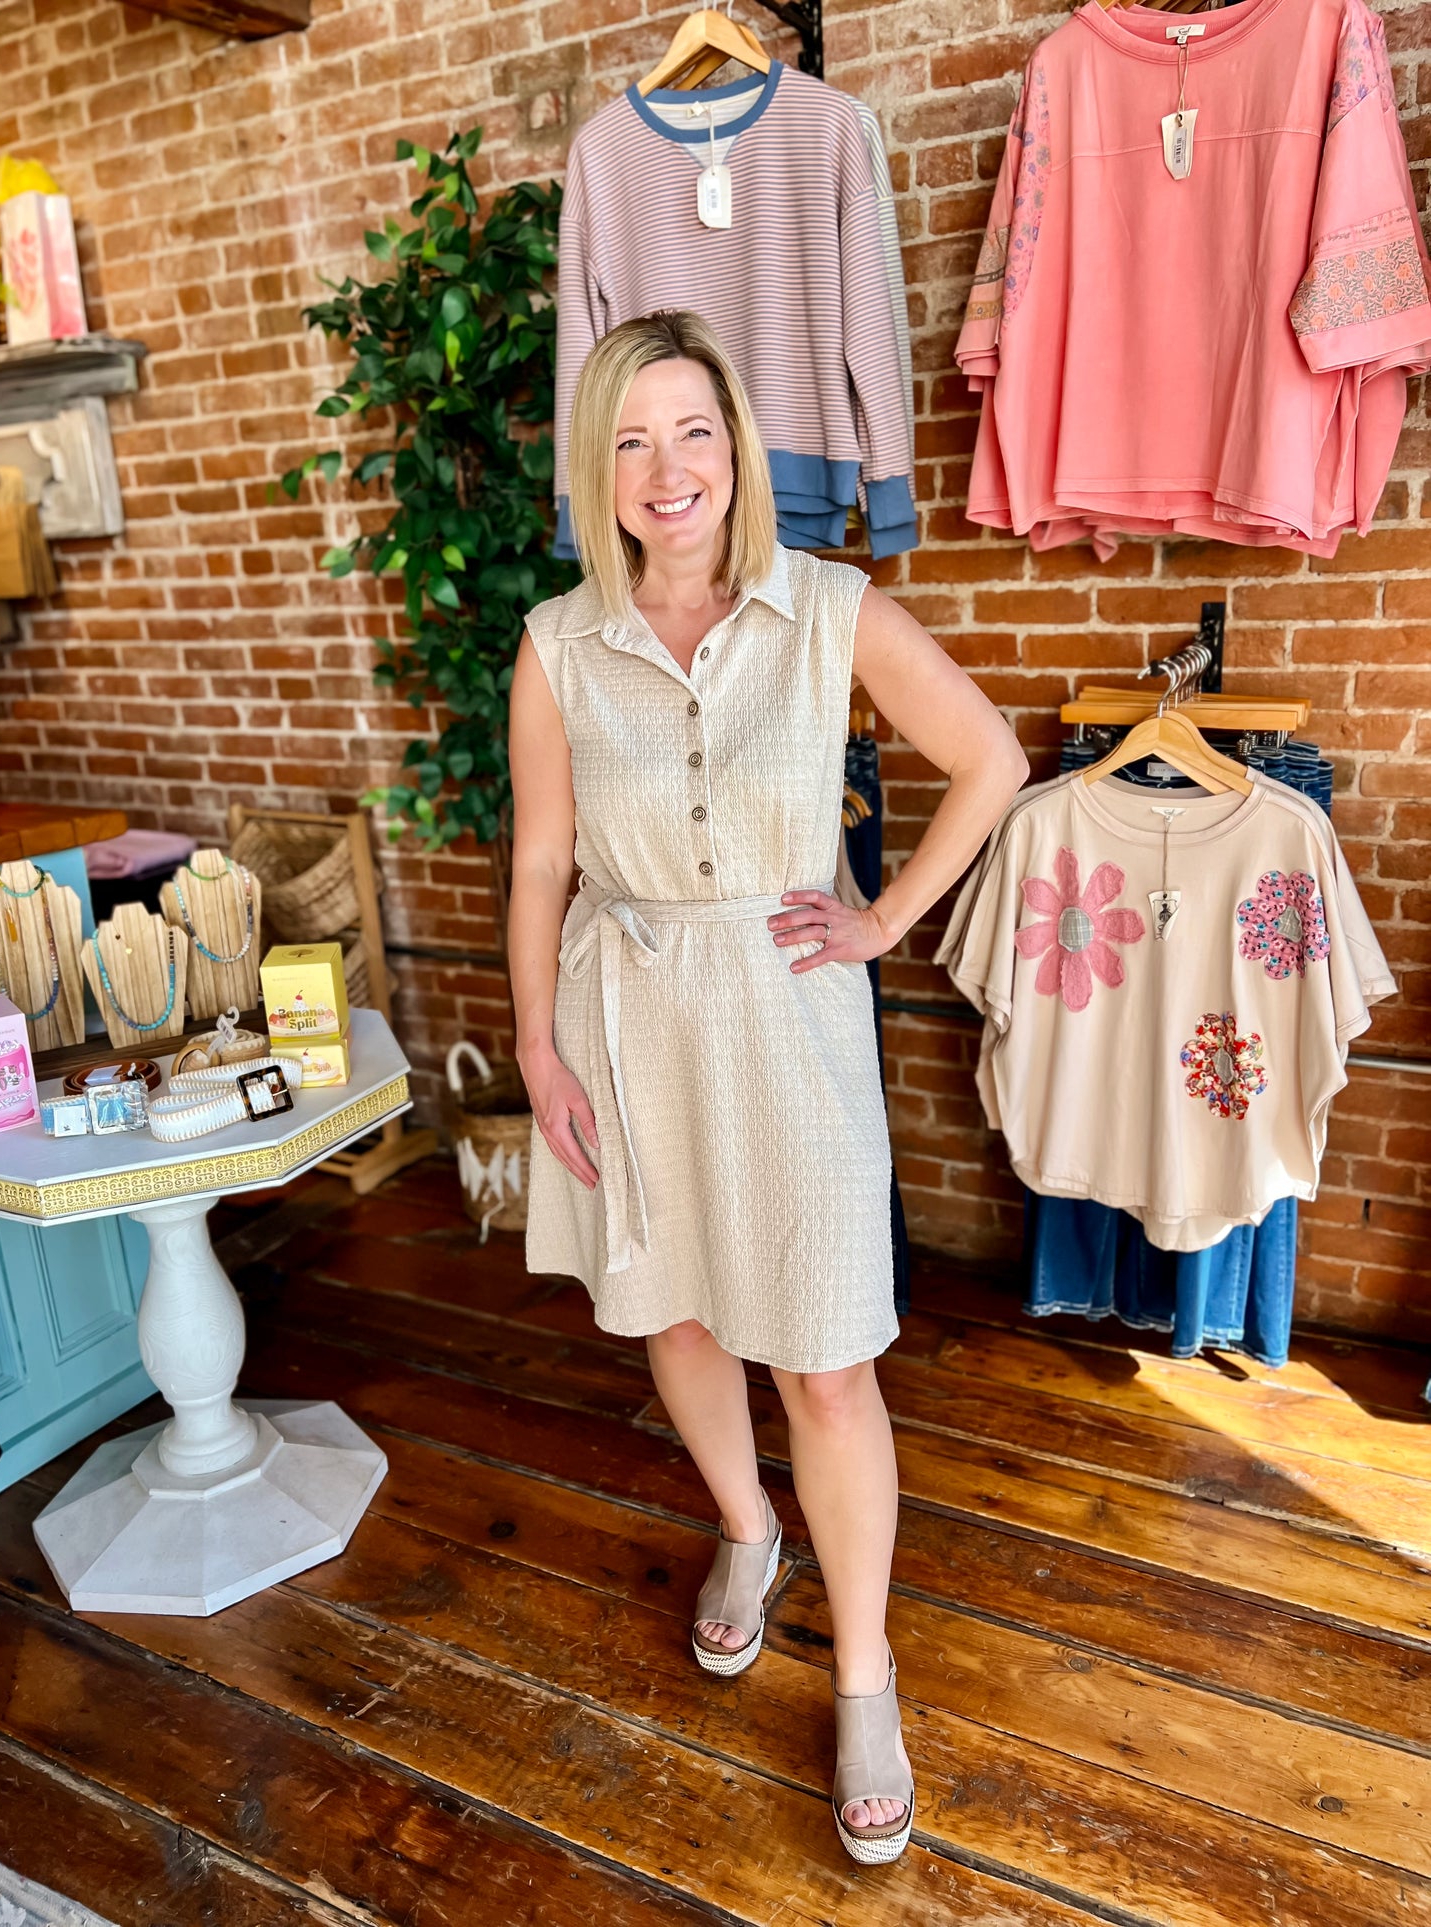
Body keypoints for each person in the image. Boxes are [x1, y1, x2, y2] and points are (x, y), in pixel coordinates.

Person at [508, 310, 1027, 1863]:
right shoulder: (556, 644)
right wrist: (537, 1046)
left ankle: (864, 1676)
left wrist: (879, 917)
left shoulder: (826, 612)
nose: (668, 471)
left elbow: (990, 759)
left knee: (820, 1355)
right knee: (670, 1307)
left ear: (734, 446)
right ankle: (747, 1533)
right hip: (625, 1008)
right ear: (596, 472)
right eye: (631, 441)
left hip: (784, 1016)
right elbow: (540, 861)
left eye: (694, 433)